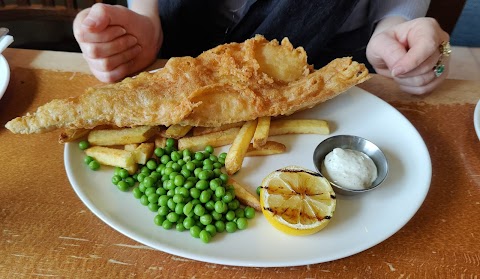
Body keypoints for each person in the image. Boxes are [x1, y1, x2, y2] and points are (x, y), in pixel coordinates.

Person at [73, 0, 451, 95]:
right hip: (175, 60)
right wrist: (145, 26)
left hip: (321, 70)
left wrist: (399, 36)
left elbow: (397, 11)